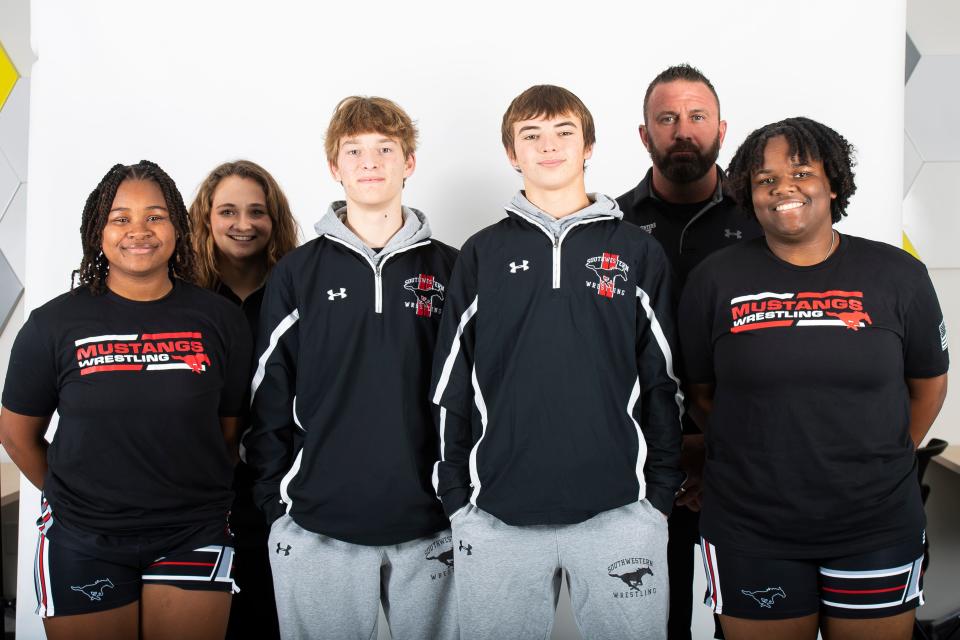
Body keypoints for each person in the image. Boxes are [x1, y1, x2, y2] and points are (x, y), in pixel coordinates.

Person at [678, 117, 949, 640]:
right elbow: (701, 393)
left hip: (876, 525)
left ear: (833, 181)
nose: (783, 188)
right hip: (751, 527)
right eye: (765, 180)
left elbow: (929, 385)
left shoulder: (897, 275)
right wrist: (759, 452)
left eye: (800, 171)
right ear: (748, 194)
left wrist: (883, 458)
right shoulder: (715, 279)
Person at [431, 84, 683, 640]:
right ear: (511, 153)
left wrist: (658, 495)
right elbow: (450, 382)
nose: (549, 146)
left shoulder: (636, 251)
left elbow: (663, 377)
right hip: (496, 514)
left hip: (620, 514)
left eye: (564, 132)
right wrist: (456, 496)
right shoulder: (482, 253)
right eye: (532, 135)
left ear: (589, 145)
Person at [0, 160, 252, 640]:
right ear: (98, 231)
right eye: (120, 218)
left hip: (192, 530)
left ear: (177, 226)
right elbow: (16, 434)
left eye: (155, 216)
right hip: (82, 536)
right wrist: (76, 499)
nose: (139, 230)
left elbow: (228, 429)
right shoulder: (52, 325)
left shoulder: (220, 320)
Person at [244, 96, 459, 640]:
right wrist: (276, 504)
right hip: (318, 525)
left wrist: (463, 496)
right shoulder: (297, 273)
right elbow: (268, 393)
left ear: (408, 162)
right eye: (354, 150)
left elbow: (476, 392)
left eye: (385, 148)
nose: (370, 162)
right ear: (334, 167)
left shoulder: (453, 267)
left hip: (434, 523)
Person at [616, 63, 762, 640]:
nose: (683, 129)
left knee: (752, 618)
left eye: (697, 116)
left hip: (745, 459)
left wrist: (714, 446)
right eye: (667, 118)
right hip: (642, 462)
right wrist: (669, 451)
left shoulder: (762, 221)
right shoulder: (612, 224)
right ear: (644, 134)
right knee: (658, 624)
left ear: (722, 129)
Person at [189, 159, 300, 640]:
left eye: (257, 211)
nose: (242, 224)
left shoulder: (299, 289)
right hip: (197, 488)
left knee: (272, 617)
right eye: (228, 211)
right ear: (206, 218)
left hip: (280, 485)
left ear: (274, 220)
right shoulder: (182, 297)